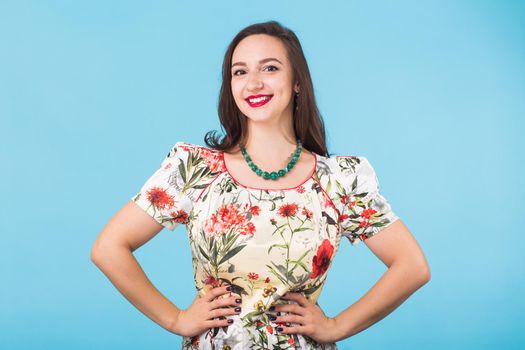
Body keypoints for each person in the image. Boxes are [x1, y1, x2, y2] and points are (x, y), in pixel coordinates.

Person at [90, 20, 430, 350]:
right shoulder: (195, 169)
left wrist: (336, 326)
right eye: (240, 71)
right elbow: (109, 247)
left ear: (297, 81)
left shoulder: (339, 179)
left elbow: (412, 266)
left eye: (269, 68)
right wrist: (176, 319)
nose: (253, 83)